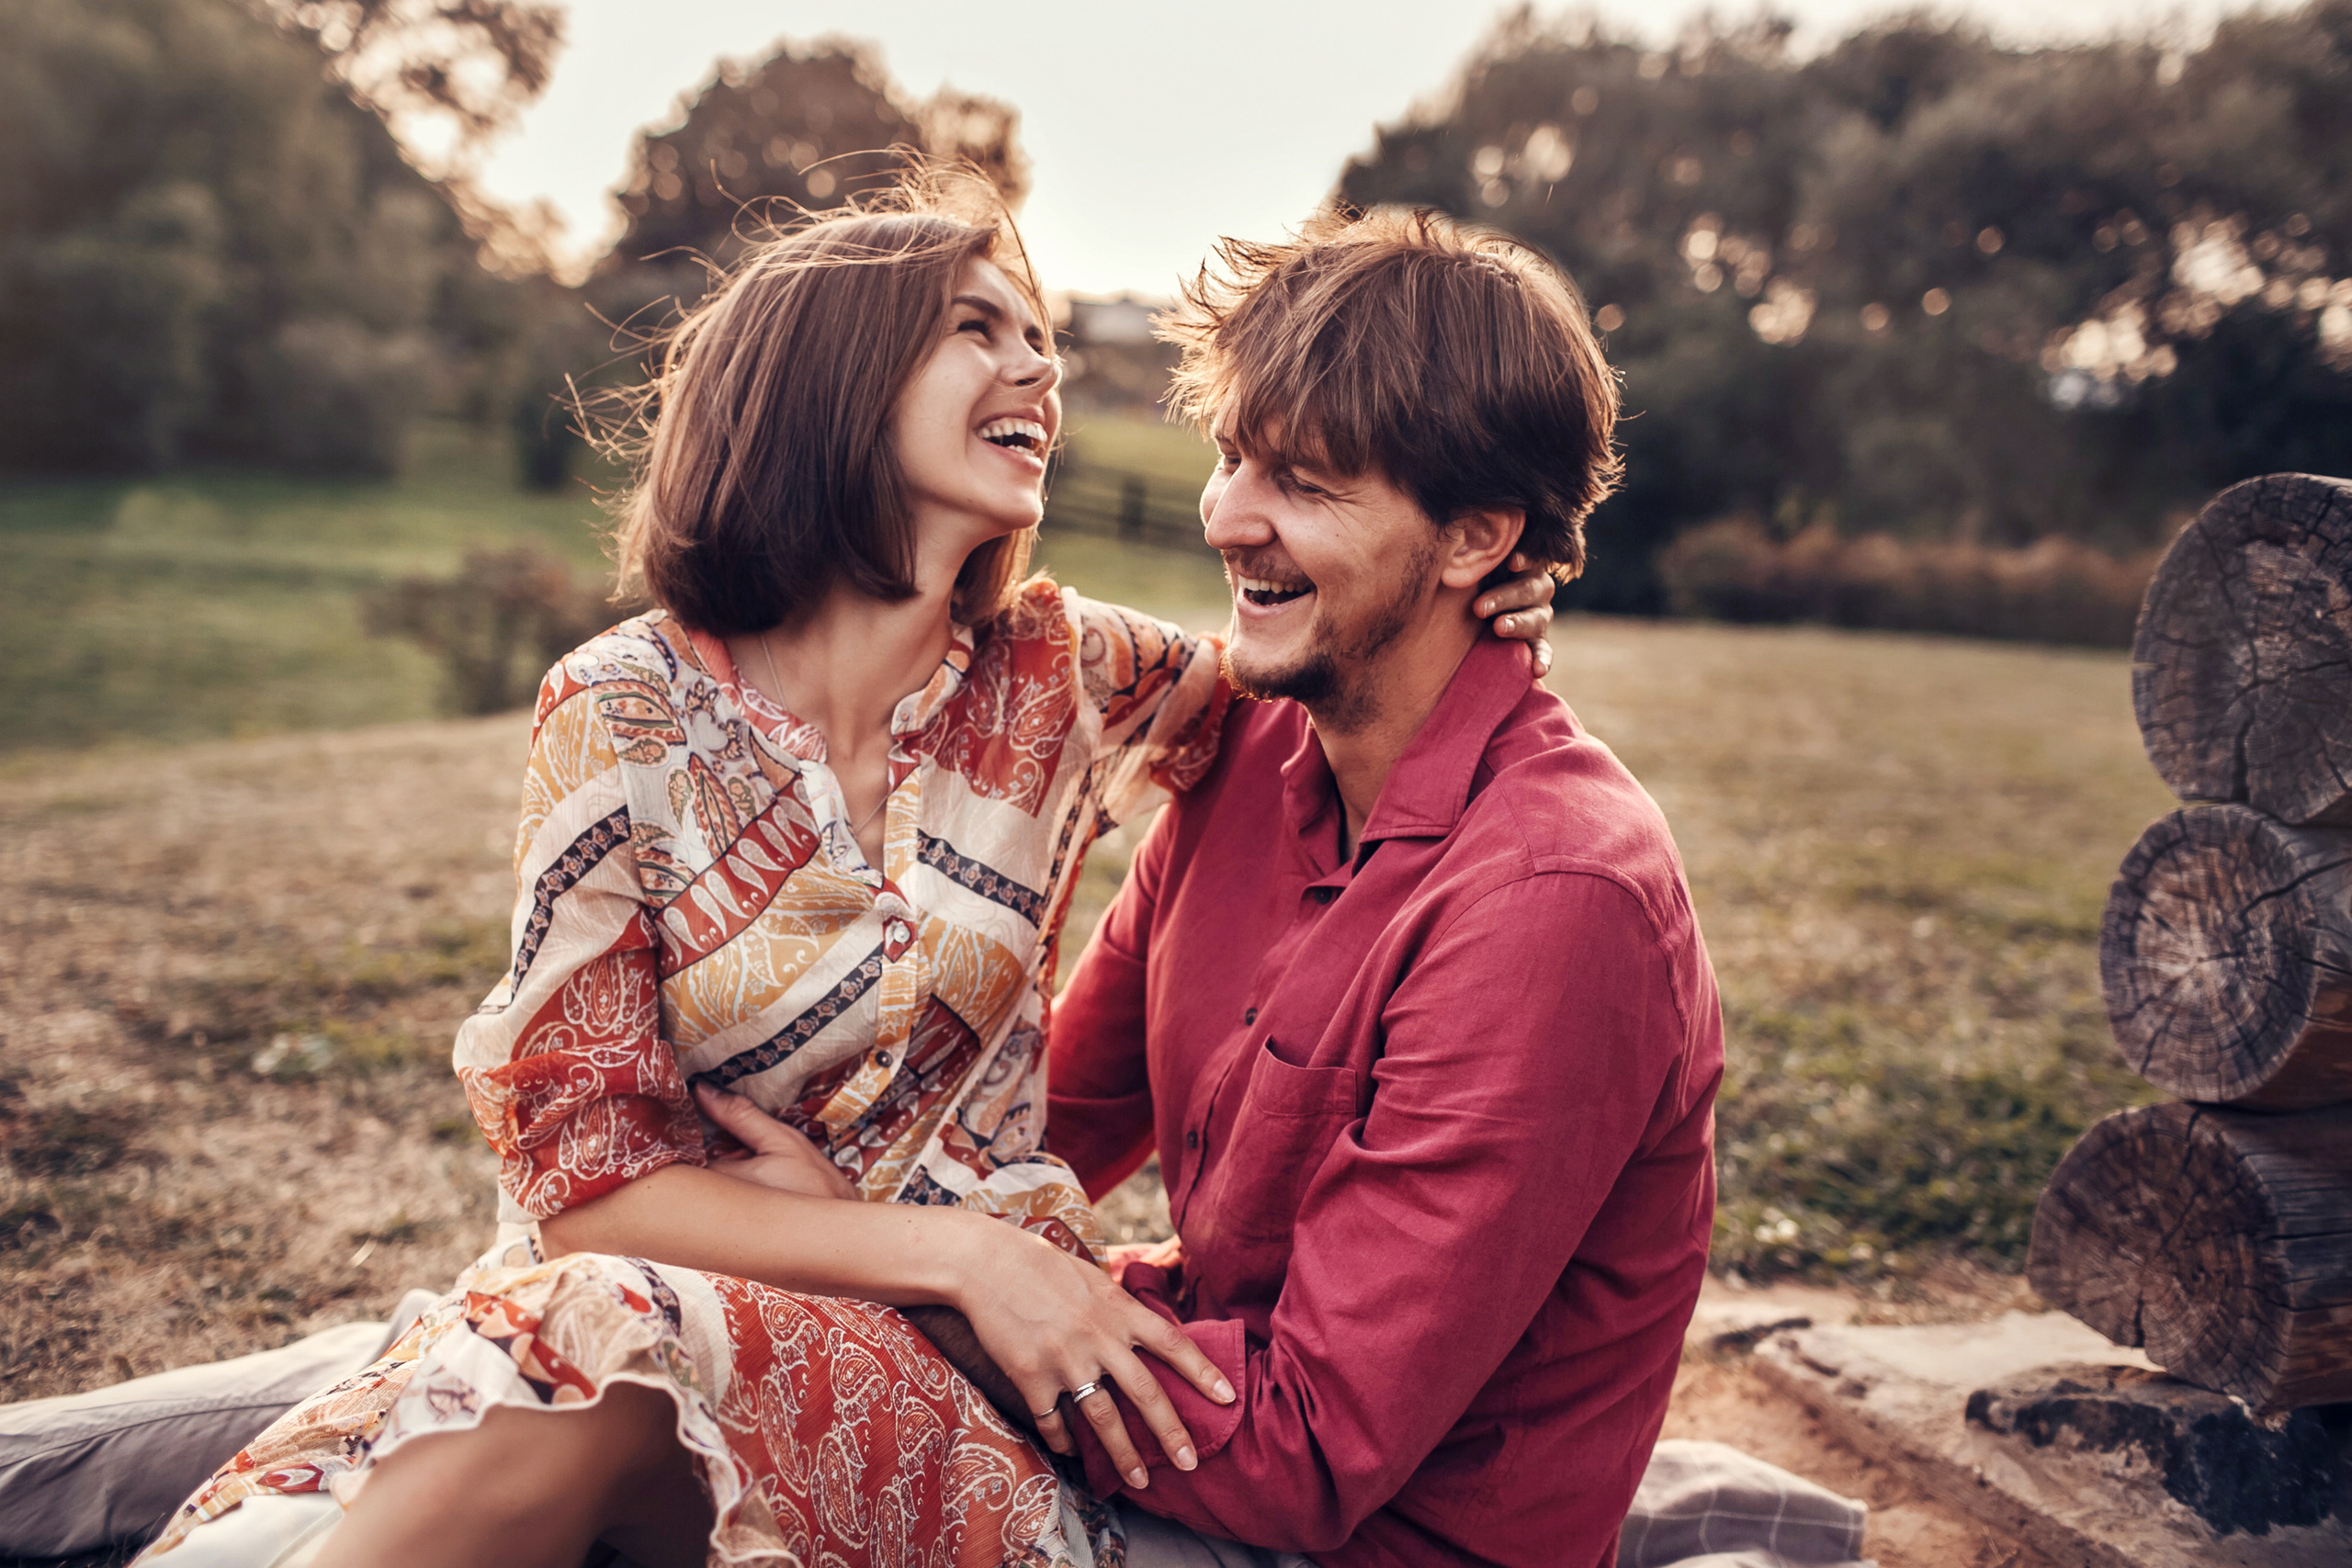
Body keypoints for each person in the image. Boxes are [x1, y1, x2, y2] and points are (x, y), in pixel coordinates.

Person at [133, 175, 1556, 1568]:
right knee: (421, 1412)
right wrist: (961, 1258)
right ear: (835, 385)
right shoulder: (621, 712)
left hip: (934, 1401)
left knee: (539, 1372)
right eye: (977, 328)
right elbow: (585, 1190)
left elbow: (1343, 653)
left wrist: (1474, 576)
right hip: (641, 1312)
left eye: (1039, 332)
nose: (1038, 365)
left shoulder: (1072, 679)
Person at [1033, 209, 1725, 1567]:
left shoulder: (1555, 899)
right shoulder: (1239, 753)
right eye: (1232, 455)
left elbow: (1304, 1448)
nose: (1227, 517)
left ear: (1476, 539)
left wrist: (987, 1305)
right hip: (1193, 1454)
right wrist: (900, 1251)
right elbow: (1043, 1129)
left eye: (1303, 481)